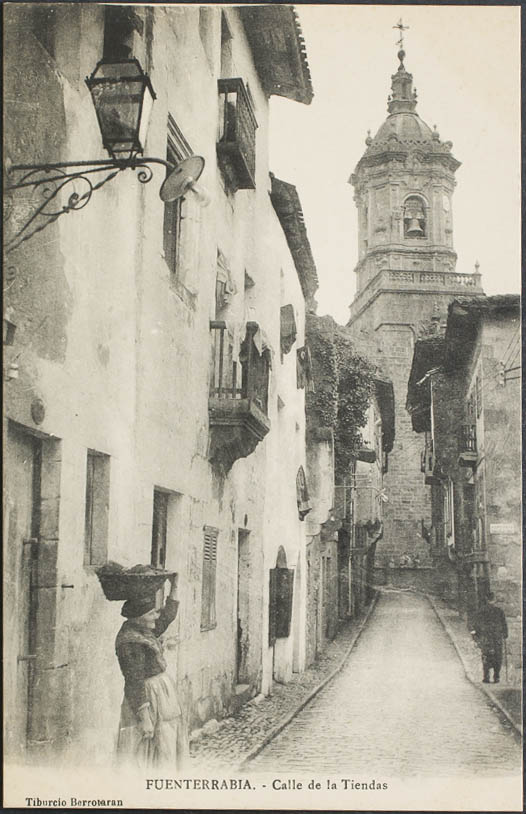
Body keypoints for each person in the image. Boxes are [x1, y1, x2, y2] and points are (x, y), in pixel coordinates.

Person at [115, 574, 187, 768]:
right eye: (151, 614)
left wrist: (175, 586)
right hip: (147, 699)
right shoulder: (130, 641)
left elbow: (167, 616)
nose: (156, 617)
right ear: (139, 617)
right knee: (146, 751)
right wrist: (144, 717)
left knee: (165, 743)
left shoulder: (144, 630)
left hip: (161, 697)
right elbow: (134, 680)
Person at [471, 591, 508, 684]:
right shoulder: (499, 611)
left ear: (486, 599)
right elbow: (504, 624)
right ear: (494, 600)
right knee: (498, 656)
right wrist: (505, 634)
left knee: (486, 655)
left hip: (486, 637)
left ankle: (486, 677)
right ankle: (496, 677)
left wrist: (476, 636)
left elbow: (476, 625)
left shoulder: (481, 611)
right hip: (497, 637)